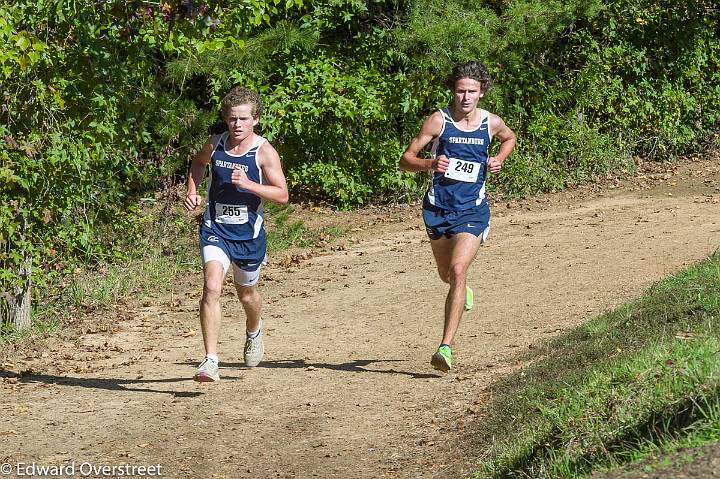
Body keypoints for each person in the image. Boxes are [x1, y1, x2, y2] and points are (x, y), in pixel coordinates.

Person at [400, 61, 516, 372]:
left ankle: (445, 347)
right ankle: (459, 290)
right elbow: (406, 160)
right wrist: (429, 164)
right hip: (437, 208)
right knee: (447, 276)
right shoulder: (439, 121)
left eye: (472, 92)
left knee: (458, 268)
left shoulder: (491, 123)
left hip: (473, 209)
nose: (465, 97)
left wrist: (499, 159)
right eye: (460, 90)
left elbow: (510, 138)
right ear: (453, 91)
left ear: (482, 93)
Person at [184, 86, 289, 382]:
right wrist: (192, 190)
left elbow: (282, 195)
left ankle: (253, 331)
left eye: (243, 119)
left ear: (255, 119)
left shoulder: (264, 152)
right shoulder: (215, 144)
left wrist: (249, 185)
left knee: (246, 294)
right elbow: (198, 163)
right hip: (214, 229)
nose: (237, 125)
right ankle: (210, 361)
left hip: (248, 237)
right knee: (212, 286)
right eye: (232, 119)